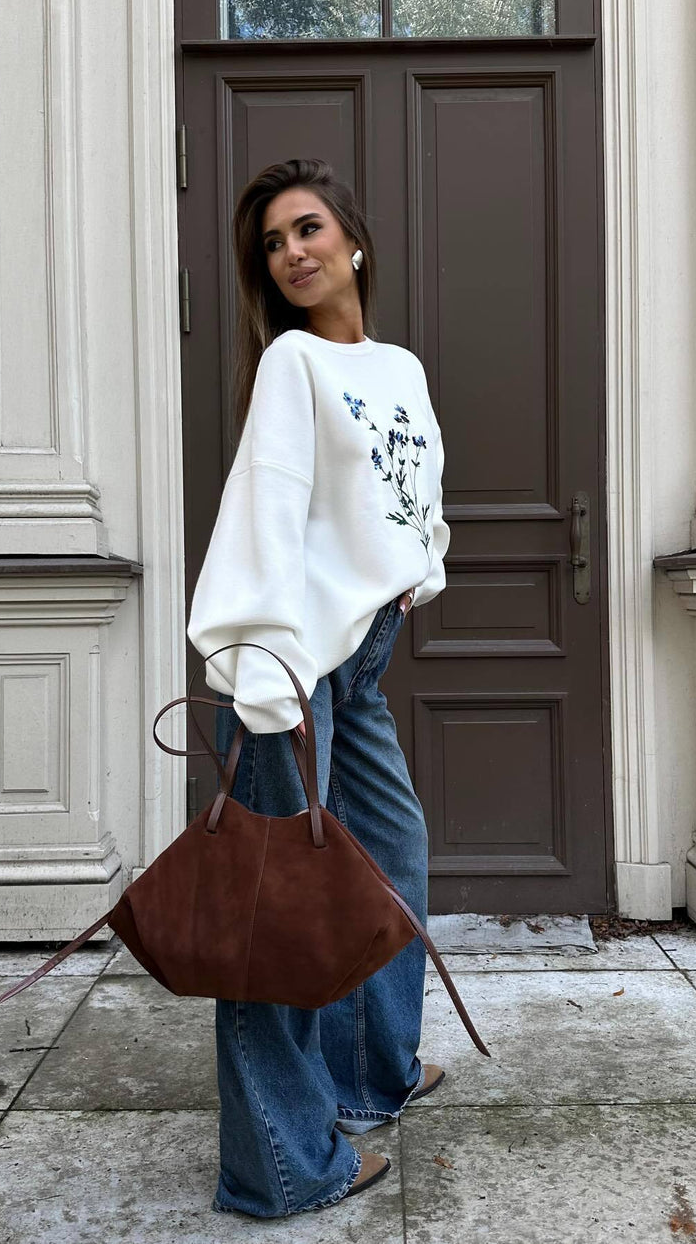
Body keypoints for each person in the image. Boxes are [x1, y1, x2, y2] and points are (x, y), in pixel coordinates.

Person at [186, 157, 451, 1218]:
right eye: (270, 243)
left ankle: (364, 1075)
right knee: (273, 914)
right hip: (293, 664)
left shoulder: (400, 367)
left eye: (305, 230)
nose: (290, 253)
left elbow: (414, 497)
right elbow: (264, 516)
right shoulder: (290, 364)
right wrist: (262, 674)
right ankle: (281, 1164)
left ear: (353, 242)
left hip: (361, 655)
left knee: (391, 857)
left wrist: (418, 571)